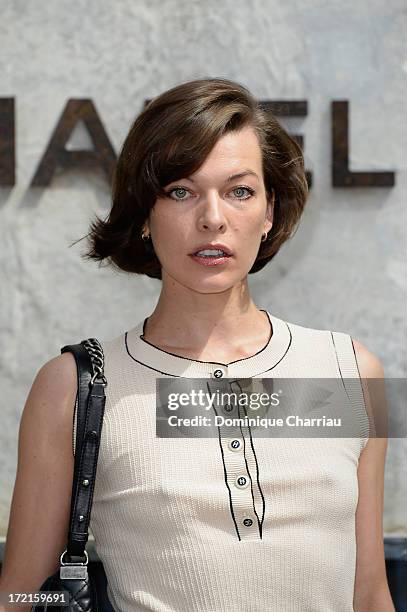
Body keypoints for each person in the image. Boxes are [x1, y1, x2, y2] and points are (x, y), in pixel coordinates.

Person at [0, 77, 394, 612]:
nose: (213, 218)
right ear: (143, 215)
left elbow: (369, 594)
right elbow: (19, 596)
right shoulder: (74, 387)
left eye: (240, 191)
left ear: (271, 211)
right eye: (180, 191)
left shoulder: (351, 372)